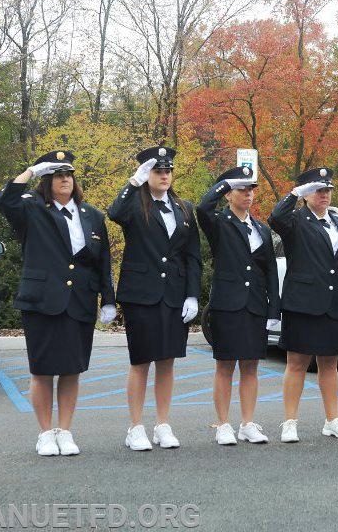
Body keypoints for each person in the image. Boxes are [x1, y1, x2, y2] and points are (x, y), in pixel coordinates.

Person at [0, 151, 116, 456]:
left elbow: (103, 261)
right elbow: (4, 200)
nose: (65, 179)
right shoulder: (32, 208)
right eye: (58, 175)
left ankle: (65, 430)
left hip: (80, 302)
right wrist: (31, 170)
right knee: (43, 370)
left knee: (72, 369)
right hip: (43, 301)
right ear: (47, 181)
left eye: (69, 175)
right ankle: (45, 433)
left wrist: (108, 300)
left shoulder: (91, 216)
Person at [108, 146, 202, 451]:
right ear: (147, 173)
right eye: (157, 171)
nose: (164, 176)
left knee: (167, 361)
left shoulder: (185, 208)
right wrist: (133, 183)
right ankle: (135, 427)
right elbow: (113, 213)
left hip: (174, 295)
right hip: (142, 294)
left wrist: (192, 295)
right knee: (141, 362)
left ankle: (163, 424)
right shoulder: (134, 204)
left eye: (167, 171)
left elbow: (192, 256)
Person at [268, 167, 338, 443]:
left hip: (334, 305)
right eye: (318, 190)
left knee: (330, 363)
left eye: (327, 190)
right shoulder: (295, 221)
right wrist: (295, 193)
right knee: (296, 363)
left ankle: (332, 419)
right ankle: (290, 421)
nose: (324, 194)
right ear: (307, 194)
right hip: (304, 303)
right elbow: (275, 217)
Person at [196, 166, 279, 445]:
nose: (248, 194)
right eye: (241, 189)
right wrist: (223, 183)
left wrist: (273, 309)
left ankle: (247, 423)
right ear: (229, 194)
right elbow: (203, 208)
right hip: (228, 304)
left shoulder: (261, 229)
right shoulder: (219, 222)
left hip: (255, 304)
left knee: (251, 366)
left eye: (250, 189)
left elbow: (269, 271)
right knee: (225, 365)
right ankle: (223, 424)